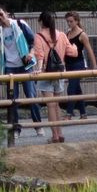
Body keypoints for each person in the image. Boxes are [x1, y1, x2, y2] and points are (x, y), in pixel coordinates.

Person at [31, 12, 72, 143]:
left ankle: (54, 135)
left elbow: (40, 55)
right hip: (59, 73)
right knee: (57, 105)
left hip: (46, 73)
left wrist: (38, 69)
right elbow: (71, 51)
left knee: (50, 105)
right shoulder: (62, 35)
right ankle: (60, 133)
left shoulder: (39, 36)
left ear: (41, 22)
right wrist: (76, 47)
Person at [63, 12, 93, 118]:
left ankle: (69, 113)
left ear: (77, 21)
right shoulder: (67, 34)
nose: (69, 23)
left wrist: (94, 65)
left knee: (71, 88)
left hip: (78, 64)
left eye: (71, 21)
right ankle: (83, 112)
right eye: (68, 21)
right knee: (76, 88)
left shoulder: (82, 35)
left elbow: (89, 50)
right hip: (69, 64)